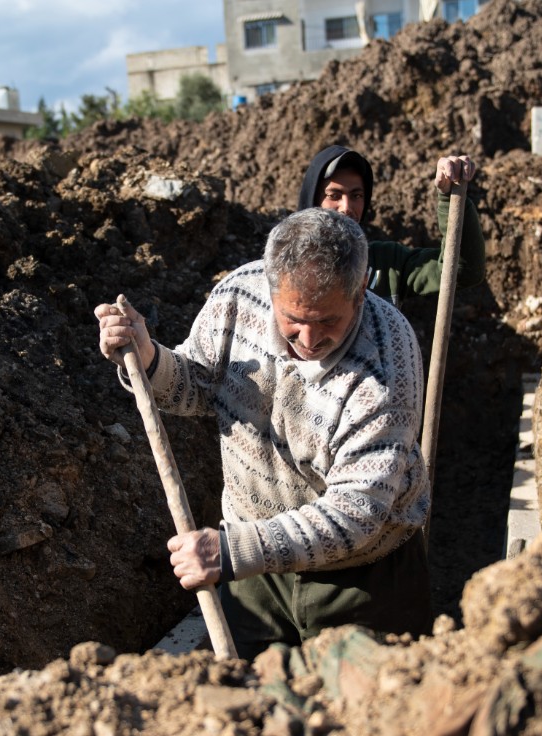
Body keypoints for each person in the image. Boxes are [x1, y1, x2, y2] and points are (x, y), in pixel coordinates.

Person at [95, 208, 431, 660]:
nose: (309, 340)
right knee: (256, 717)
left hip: (361, 582)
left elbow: (356, 511)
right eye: (294, 318)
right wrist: (149, 358)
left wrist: (230, 552)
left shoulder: (385, 369)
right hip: (254, 579)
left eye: (328, 321)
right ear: (271, 290)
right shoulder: (239, 298)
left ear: (360, 292)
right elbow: (196, 386)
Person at [298, 145, 487, 308]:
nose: (347, 207)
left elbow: (464, 270)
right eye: (334, 196)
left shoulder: (387, 265)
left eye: (356, 195)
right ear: (313, 201)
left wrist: (450, 198)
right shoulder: (289, 266)